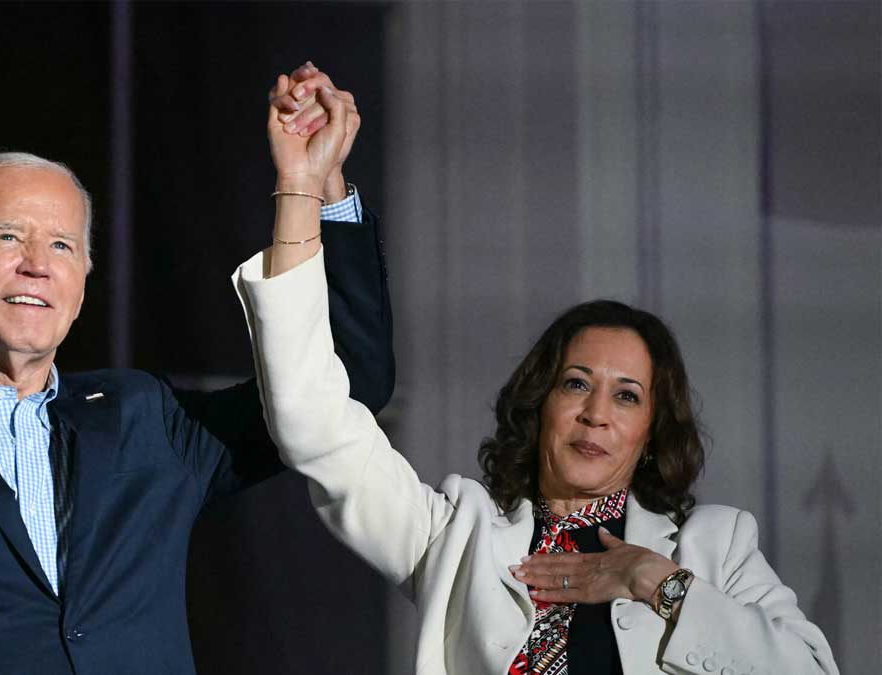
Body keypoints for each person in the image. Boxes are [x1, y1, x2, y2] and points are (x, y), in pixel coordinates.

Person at [0, 64, 391, 674]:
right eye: (8, 237)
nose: (37, 263)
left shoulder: (145, 420)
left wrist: (318, 189)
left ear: (83, 281)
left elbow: (347, 387)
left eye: (62, 245)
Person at [233, 83, 839, 674]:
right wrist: (302, 187)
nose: (596, 412)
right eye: (576, 384)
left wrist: (654, 581)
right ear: (539, 405)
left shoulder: (716, 546)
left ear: (651, 432)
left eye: (627, 396)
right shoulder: (458, 535)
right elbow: (314, 425)